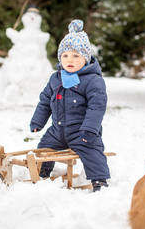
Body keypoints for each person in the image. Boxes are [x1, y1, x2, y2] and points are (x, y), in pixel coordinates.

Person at [29, 19, 110, 192]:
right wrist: (37, 122)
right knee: (44, 148)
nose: (69, 60)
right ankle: (43, 169)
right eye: (65, 55)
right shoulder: (56, 78)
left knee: (92, 151)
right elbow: (45, 101)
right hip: (58, 131)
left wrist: (89, 129)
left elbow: (96, 107)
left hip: (82, 131)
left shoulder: (93, 81)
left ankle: (99, 180)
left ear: (86, 58)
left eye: (75, 55)